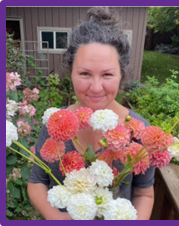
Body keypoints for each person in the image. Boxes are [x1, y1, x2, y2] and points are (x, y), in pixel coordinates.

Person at [27, 7, 155, 220]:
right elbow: (37, 181)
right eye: (85, 73)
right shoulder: (55, 123)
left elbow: (144, 193)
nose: (96, 88)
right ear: (70, 73)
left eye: (107, 74)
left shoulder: (139, 130)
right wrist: (58, 219)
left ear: (121, 74)